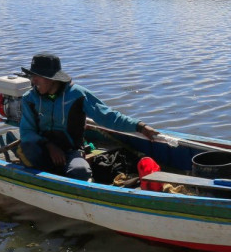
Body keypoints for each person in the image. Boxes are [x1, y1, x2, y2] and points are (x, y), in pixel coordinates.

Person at [16, 53, 159, 181]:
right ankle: (48, 177)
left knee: (80, 171)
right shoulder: (30, 99)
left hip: (71, 151)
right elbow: (27, 132)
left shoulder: (77, 95)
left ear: (51, 78)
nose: (33, 81)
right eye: (32, 75)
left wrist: (140, 126)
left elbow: (107, 116)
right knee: (28, 148)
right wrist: (50, 145)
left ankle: (58, 175)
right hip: (42, 148)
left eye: (37, 76)